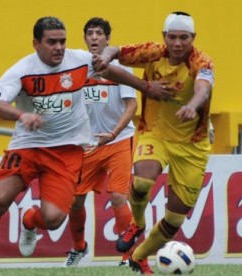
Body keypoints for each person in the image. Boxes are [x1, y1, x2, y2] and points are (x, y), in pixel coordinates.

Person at [0, 16, 169, 276]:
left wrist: (145, 87)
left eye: (62, 41)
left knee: (54, 220)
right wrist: (22, 116)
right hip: (27, 147)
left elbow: (110, 70)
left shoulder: (78, 60)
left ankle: (29, 220)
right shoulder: (21, 70)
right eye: (52, 42)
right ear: (36, 43)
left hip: (67, 151)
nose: (59, 47)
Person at [96, 11, 214, 274]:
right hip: (155, 133)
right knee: (142, 182)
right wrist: (105, 57)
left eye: (184, 38)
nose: (178, 43)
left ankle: (138, 256)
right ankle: (137, 223)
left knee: (174, 219)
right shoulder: (152, 52)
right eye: (172, 37)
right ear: (165, 37)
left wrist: (193, 106)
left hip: (192, 146)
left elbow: (203, 88)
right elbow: (115, 51)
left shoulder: (202, 62)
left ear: (193, 38)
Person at [63, 17, 137, 268]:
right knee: (74, 201)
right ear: (84, 39)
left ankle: (129, 256)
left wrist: (114, 133)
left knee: (118, 196)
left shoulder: (121, 67)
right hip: (88, 144)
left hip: (119, 139)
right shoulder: (76, 68)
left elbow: (132, 105)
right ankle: (78, 247)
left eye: (99, 33)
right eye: (90, 33)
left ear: (108, 39)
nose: (94, 37)